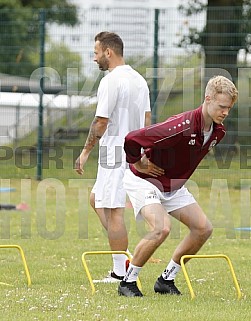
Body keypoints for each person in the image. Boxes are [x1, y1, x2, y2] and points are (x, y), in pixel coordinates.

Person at [118, 75, 238, 297]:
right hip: (144, 181)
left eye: (229, 108)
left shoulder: (218, 132)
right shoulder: (179, 125)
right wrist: (138, 161)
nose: (225, 112)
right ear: (207, 98)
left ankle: (166, 279)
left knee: (203, 229)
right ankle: (128, 282)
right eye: (222, 107)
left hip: (172, 186)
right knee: (161, 228)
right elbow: (132, 138)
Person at [75, 31, 151, 282]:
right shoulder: (140, 80)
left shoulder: (110, 81)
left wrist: (85, 152)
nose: (94, 58)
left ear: (108, 52)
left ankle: (120, 272)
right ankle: (123, 251)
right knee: (96, 199)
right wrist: (143, 152)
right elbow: (148, 121)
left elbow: (101, 122)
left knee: (113, 210)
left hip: (114, 152)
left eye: (96, 53)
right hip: (133, 151)